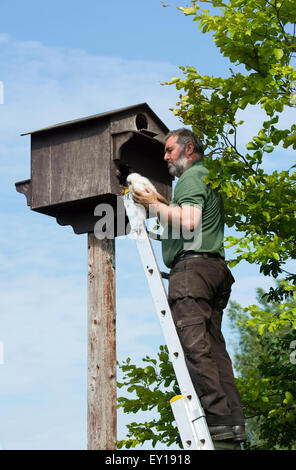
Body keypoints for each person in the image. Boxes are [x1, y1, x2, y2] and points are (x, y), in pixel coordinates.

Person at [132, 128, 246, 442]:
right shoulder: (207, 177)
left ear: (189, 149)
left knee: (194, 349)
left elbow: (189, 220)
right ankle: (232, 422)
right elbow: (185, 213)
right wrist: (159, 200)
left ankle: (217, 422)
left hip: (192, 270)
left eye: (169, 150)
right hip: (214, 269)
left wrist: (152, 206)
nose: (165, 157)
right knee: (213, 349)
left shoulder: (192, 177)